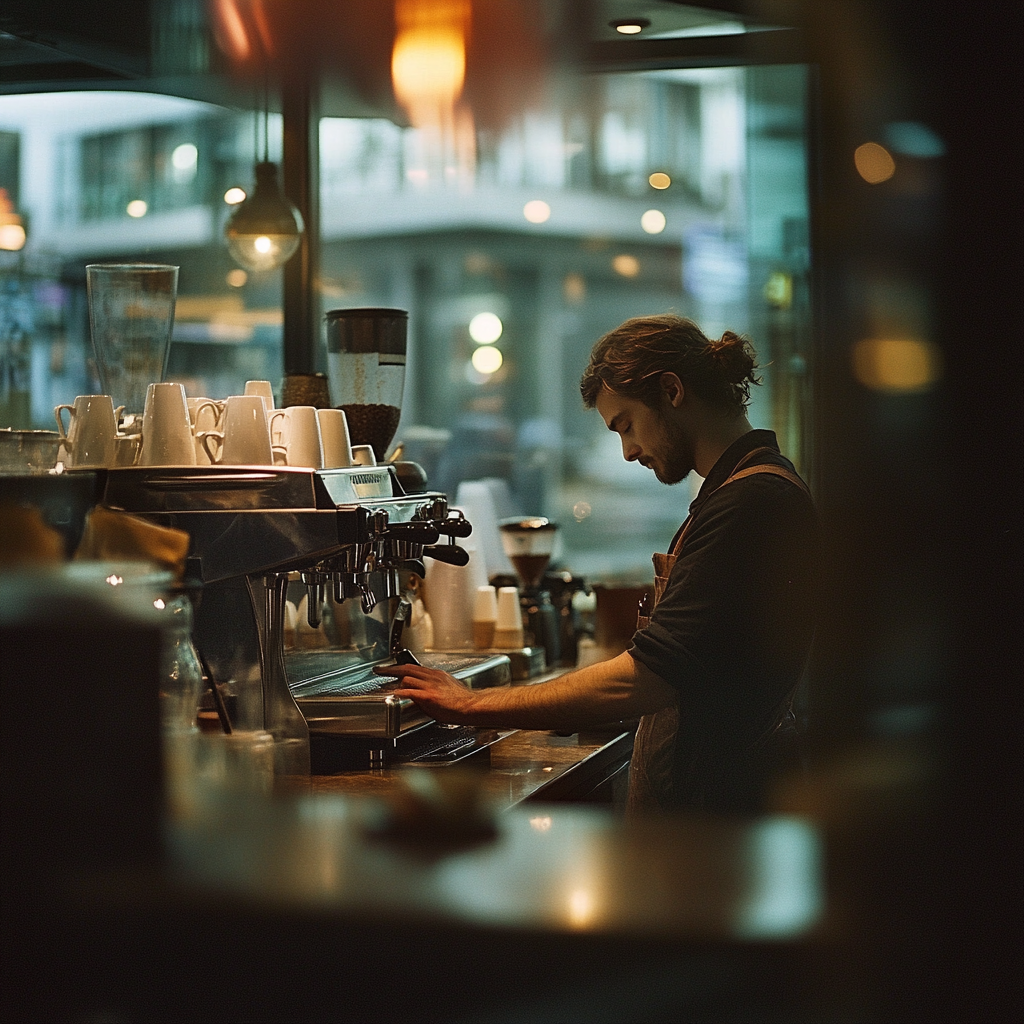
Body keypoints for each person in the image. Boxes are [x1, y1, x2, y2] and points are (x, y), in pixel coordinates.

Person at [380, 314, 821, 814]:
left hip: (714, 823)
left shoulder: (751, 502)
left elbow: (646, 677)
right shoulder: (742, 489)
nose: (629, 451)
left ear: (672, 391)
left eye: (626, 425)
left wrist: (472, 704)